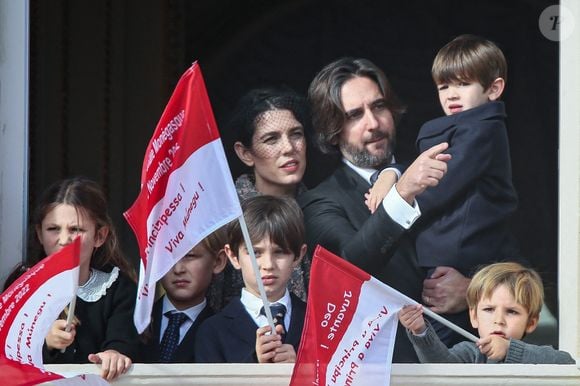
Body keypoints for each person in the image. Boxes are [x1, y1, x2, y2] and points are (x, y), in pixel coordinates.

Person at [368, 35, 522, 344]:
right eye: (443, 87)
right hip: (449, 258)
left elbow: (439, 184)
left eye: (463, 84)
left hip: (463, 259)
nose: (452, 94)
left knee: (437, 350)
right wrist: (388, 173)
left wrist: (396, 198)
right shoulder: (462, 128)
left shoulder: (483, 129)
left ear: (493, 89)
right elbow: (423, 167)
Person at [298, 57, 451, 362]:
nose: (374, 123)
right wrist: (402, 191)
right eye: (355, 115)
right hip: (386, 366)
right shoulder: (320, 200)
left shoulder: (436, 168)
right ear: (333, 129)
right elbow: (351, 265)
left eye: (379, 106)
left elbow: (497, 245)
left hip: (465, 359)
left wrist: (472, 287)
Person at [29, 176, 139, 381]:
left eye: (76, 230)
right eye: (53, 229)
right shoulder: (23, 288)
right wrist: (46, 343)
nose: (63, 240)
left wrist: (114, 355)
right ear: (39, 234)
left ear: (100, 236)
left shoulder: (118, 289)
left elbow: (124, 341)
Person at [221, 86, 311, 307]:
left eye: (296, 134)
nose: (289, 148)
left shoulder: (320, 208)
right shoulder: (224, 214)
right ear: (245, 153)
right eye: (272, 139)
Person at [194, 195, 307, 363]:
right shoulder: (213, 331)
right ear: (233, 256)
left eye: (280, 252)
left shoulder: (317, 322)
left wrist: (303, 370)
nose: (268, 264)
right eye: (255, 253)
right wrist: (254, 365)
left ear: (298, 255)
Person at [399, 262, 575, 364]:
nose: (499, 320)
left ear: (531, 323)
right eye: (489, 310)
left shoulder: (537, 354)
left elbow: (566, 362)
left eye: (512, 312)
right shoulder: (470, 353)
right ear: (474, 316)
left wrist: (508, 350)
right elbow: (440, 367)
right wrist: (421, 331)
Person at [140, 226, 228, 363]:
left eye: (189, 256)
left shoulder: (225, 331)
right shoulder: (135, 320)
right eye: (167, 256)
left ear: (218, 262)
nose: (178, 269)